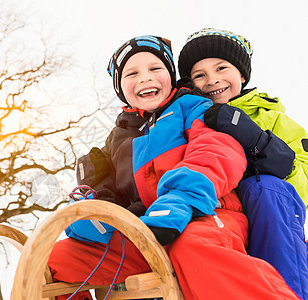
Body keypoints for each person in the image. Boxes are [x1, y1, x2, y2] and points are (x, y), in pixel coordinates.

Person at [47, 35, 301, 300]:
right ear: (121, 89)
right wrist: (93, 210)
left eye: (155, 69)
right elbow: (106, 190)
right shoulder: (118, 137)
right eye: (132, 73)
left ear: (171, 76)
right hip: (146, 230)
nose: (145, 78)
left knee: (191, 246)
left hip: (206, 215)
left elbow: (216, 152)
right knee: (58, 259)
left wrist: (180, 199)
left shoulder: (194, 107)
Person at [178, 27, 308, 299]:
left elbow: (302, 184)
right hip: (217, 218)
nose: (212, 80)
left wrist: (256, 140)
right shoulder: (187, 121)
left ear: (242, 74)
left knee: (265, 188)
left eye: (221, 68)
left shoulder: (273, 119)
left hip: (272, 219)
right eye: (199, 75)